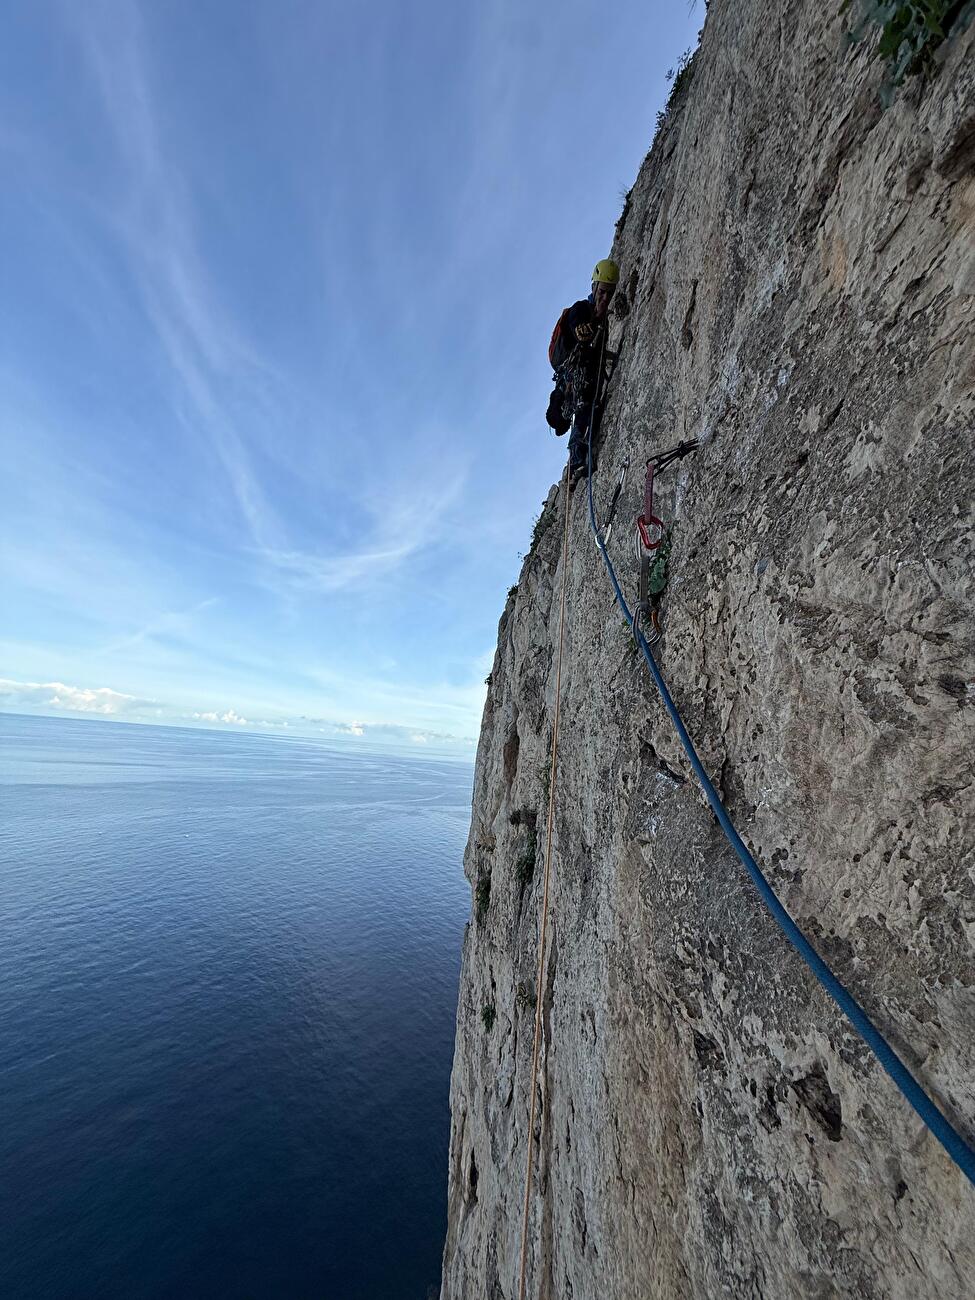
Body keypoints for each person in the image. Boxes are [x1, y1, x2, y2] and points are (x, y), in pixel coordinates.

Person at [560, 258, 619, 482]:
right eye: (603, 291)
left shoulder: (602, 320)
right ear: (594, 287)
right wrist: (580, 331)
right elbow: (576, 326)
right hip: (578, 376)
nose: (605, 297)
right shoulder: (581, 309)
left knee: (591, 407)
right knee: (584, 407)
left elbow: (600, 349)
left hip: (591, 375)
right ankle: (576, 462)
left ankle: (582, 457)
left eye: (610, 293)